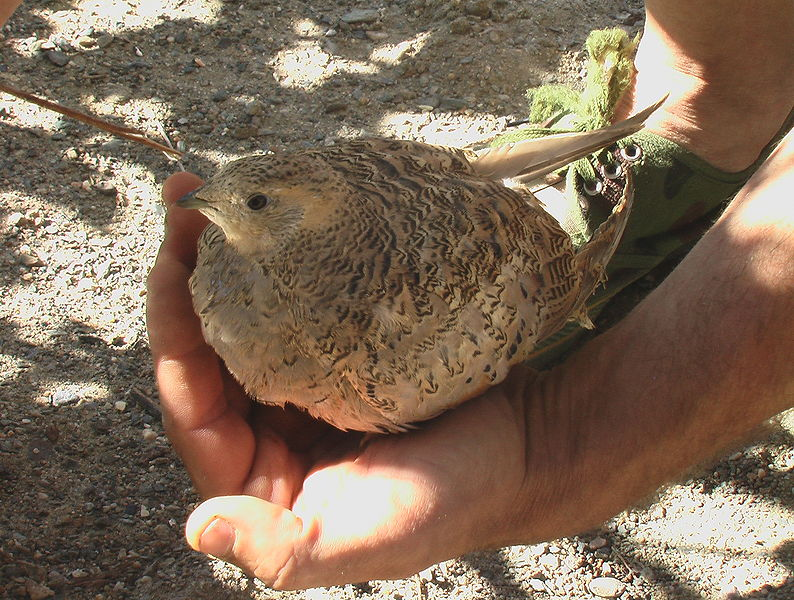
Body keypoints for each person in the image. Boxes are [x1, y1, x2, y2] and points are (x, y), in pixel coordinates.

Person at [4, 0, 793, 590]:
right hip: (462, 205)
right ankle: (695, 122)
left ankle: (650, 189)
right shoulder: (243, 252)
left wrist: (562, 443)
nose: (207, 208)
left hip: (514, 268)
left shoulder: (389, 345)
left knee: (541, 261)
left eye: (253, 206)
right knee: (704, 90)